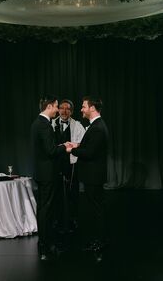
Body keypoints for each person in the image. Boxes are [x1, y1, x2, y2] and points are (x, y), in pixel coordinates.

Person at [66, 96, 109, 262]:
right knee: (96, 209)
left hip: (94, 176)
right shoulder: (97, 126)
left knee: (97, 209)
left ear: (92, 108)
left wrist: (72, 151)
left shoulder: (97, 127)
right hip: (93, 175)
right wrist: (77, 145)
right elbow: (90, 147)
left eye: (84, 106)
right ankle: (99, 239)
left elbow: (90, 153)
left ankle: (100, 242)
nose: (81, 109)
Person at [30, 95, 67, 261]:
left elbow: (47, 149)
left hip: (42, 172)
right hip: (47, 174)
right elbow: (51, 151)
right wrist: (65, 147)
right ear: (50, 106)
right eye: (57, 106)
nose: (58, 110)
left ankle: (45, 242)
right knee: (46, 209)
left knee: (45, 208)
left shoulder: (38, 123)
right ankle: (45, 244)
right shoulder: (44, 125)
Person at [52, 99, 85, 233]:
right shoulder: (51, 124)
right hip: (56, 163)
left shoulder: (77, 125)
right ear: (58, 109)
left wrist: (72, 146)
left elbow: (82, 142)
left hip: (71, 163)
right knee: (56, 192)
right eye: (62, 108)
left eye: (67, 109)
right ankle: (56, 219)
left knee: (73, 192)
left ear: (71, 111)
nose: (64, 111)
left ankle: (73, 219)